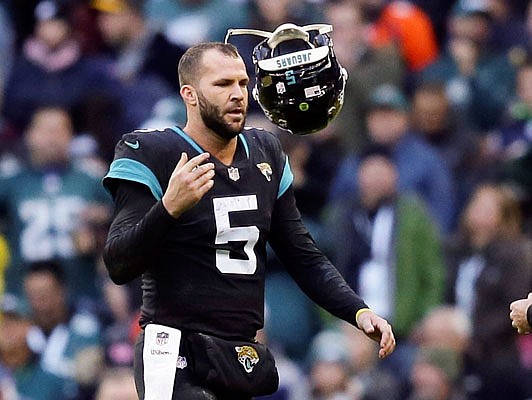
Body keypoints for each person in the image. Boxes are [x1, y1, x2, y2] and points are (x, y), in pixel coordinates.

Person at [102, 42, 396, 400]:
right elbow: (118, 263)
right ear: (189, 95)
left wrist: (358, 311)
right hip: (174, 346)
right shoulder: (153, 153)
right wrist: (169, 208)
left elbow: (303, 255)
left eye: (242, 83)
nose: (238, 94)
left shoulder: (266, 152)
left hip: (239, 352)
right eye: (223, 84)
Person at [0, 106, 112, 306]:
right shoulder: (10, 178)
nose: (53, 138)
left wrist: (101, 221)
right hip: (23, 296)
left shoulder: (91, 176)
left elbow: (127, 216)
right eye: (45, 130)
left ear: (71, 136)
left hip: (81, 292)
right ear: (29, 135)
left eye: (60, 130)